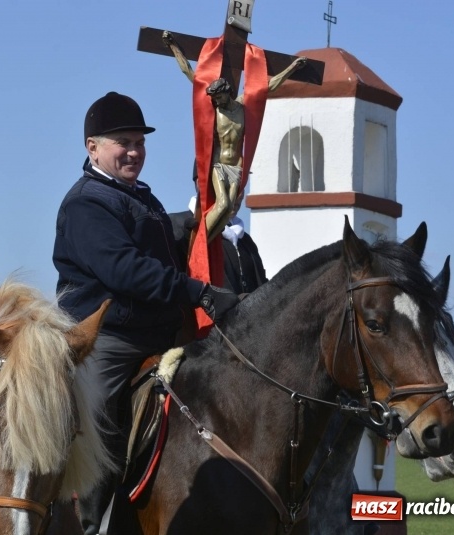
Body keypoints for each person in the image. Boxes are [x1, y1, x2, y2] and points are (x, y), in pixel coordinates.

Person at [53, 91, 240, 535]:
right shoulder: (86, 203)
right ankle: (89, 521)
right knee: (97, 423)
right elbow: (126, 270)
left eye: (139, 141)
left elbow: (155, 237)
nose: (135, 151)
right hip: (109, 338)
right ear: (92, 147)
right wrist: (200, 292)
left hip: (161, 332)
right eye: (123, 142)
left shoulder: (141, 198)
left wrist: (198, 216)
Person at [162, 30, 307, 241]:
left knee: (229, 211)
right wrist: (172, 46)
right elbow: (189, 72)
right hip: (219, 163)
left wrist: (293, 67)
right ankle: (198, 242)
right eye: (214, 98)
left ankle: (207, 243)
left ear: (228, 93)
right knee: (222, 205)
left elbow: (270, 86)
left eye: (219, 97)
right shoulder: (215, 110)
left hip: (236, 167)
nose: (217, 101)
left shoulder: (242, 105)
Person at [170, 185, 267, 294]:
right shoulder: (175, 225)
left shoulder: (246, 241)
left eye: (241, 186)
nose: (237, 195)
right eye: (229, 185)